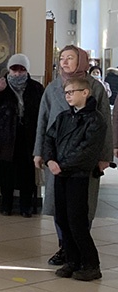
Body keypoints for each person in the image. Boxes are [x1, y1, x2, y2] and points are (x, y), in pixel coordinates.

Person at [33, 46, 111, 267]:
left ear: (82, 61)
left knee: (81, 206)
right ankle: (64, 247)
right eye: (62, 58)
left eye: (70, 58)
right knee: (59, 205)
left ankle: (80, 250)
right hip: (56, 158)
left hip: (85, 158)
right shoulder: (52, 88)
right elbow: (43, 121)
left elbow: (105, 122)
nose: (65, 62)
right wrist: (39, 152)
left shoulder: (94, 88)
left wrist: (104, 156)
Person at [42, 77, 104, 282]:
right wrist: (50, 159)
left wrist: (63, 165)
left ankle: (91, 264)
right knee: (62, 219)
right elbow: (49, 138)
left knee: (77, 221)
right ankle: (72, 260)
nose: (68, 96)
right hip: (60, 173)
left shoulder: (95, 120)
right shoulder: (63, 117)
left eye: (72, 92)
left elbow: (86, 151)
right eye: (66, 93)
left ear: (85, 92)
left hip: (77, 175)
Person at [0, 53, 43, 217]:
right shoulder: (1, 84)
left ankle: (26, 206)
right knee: (6, 173)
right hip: (5, 136)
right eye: (14, 69)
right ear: (9, 69)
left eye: (21, 70)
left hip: (27, 136)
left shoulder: (36, 87)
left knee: (27, 173)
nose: (17, 73)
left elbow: (42, 110)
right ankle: (6, 205)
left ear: (26, 70)